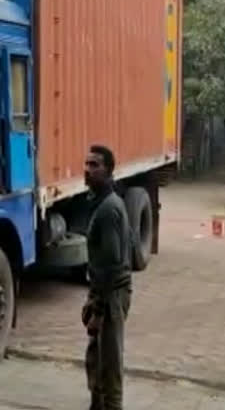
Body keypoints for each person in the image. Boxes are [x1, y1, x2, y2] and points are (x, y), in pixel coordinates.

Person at [82, 145, 132, 410]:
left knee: (110, 368)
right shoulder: (99, 203)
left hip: (112, 296)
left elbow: (112, 266)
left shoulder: (110, 209)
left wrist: (99, 309)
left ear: (109, 171)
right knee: (95, 362)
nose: (88, 170)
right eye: (87, 164)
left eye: (95, 165)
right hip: (102, 295)